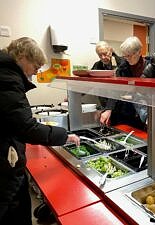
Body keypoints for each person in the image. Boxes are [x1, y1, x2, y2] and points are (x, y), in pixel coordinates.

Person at [0, 37, 80, 225]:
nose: (36, 73)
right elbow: (26, 127)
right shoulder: (7, 79)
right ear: (22, 58)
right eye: (36, 66)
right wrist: (64, 136)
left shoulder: (6, 74)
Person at [95, 36, 146, 130]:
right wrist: (108, 108)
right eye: (124, 56)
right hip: (126, 112)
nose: (126, 58)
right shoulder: (123, 67)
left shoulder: (150, 66)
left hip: (146, 112)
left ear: (139, 52)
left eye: (129, 55)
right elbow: (116, 89)